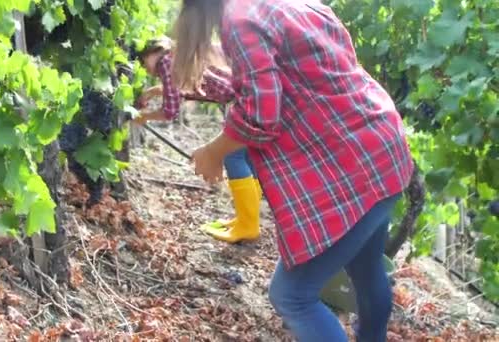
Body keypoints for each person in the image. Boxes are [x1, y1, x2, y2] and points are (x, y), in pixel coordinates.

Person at [171, 1, 414, 341]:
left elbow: (260, 115)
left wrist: (214, 152)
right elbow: (303, 78)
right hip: (381, 146)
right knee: (365, 266)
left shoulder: (240, 18)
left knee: (292, 296)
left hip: (350, 166)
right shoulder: (292, 3)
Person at [134, 37, 263, 243]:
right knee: (245, 157)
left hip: (241, 102)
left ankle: (248, 225)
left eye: (143, 60)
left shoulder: (165, 62)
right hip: (248, 97)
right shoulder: (179, 56)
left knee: (232, 156)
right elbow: (185, 89)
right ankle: (246, 220)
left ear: (155, 51)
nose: (143, 66)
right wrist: (153, 91)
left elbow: (170, 111)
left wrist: (143, 117)